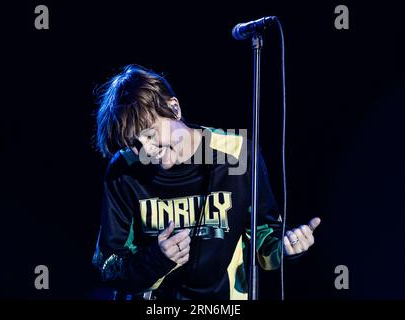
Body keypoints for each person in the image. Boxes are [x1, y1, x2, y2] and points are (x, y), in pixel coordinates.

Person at [92, 64, 321, 300]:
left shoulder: (238, 154)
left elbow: (264, 237)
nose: (147, 150)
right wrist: (157, 259)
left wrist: (285, 248)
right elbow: (107, 265)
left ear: (174, 108)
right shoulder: (123, 170)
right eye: (134, 144)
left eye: (150, 132)